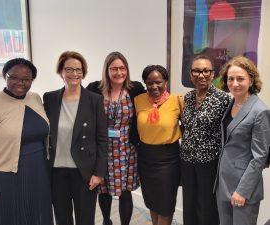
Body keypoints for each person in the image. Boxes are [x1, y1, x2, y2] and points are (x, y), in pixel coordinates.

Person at [0, 58, 54, 225]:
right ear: (4, 76)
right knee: (5, 217)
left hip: (37, 172)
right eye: (13, 77)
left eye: (26, 79)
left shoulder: (35, 99)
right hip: (2, 176)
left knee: (36, 216)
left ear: (32, 80)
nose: (20, 83)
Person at [43, 51, 108, 225]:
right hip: (56, 171)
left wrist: (99, 173)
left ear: (84, 72)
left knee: (85, 219)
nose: (74, 74)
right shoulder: (49, 98)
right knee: (62, 218)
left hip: (84, 172)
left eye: (79, 70)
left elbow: (102, 139)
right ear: (61, 72)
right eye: (69, 69)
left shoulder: (94, 100)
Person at [87, 51, 145, 225]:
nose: (119, 73)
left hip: (127, 148)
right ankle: (106, 220)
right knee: (103, 189)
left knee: (125, 191)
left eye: (122, 68)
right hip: (102, 148)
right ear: (107, 70)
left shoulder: (135, 88)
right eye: (114, 69)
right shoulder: (94, 88)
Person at [215, 56, 270, 225]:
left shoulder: (260, 111)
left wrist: (243, 191)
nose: (234, 83)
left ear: (251, 80)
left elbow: (260, 157)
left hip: (243, 186)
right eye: (230, 79)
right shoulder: (231, 103)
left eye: (240, 78)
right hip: (223, 181)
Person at [180, 54, 231, 225]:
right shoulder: (187, 98)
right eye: (196, 71)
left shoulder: (224, 99)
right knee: (188, 202)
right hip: (186, 160)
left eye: (206, 71)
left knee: (206, 205)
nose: (201, 75)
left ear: (213, 74)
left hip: (209, 162)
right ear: (190, 74)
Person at [134, 65, 182, 225]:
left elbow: (189, 126)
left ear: (165, 81)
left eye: (158, 82)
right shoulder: (138, 100)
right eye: (149, 83)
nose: (154, 86)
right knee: (152, 202)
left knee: (166, 206)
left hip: (168, 159)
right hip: (146, 158)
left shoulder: (178, 101)